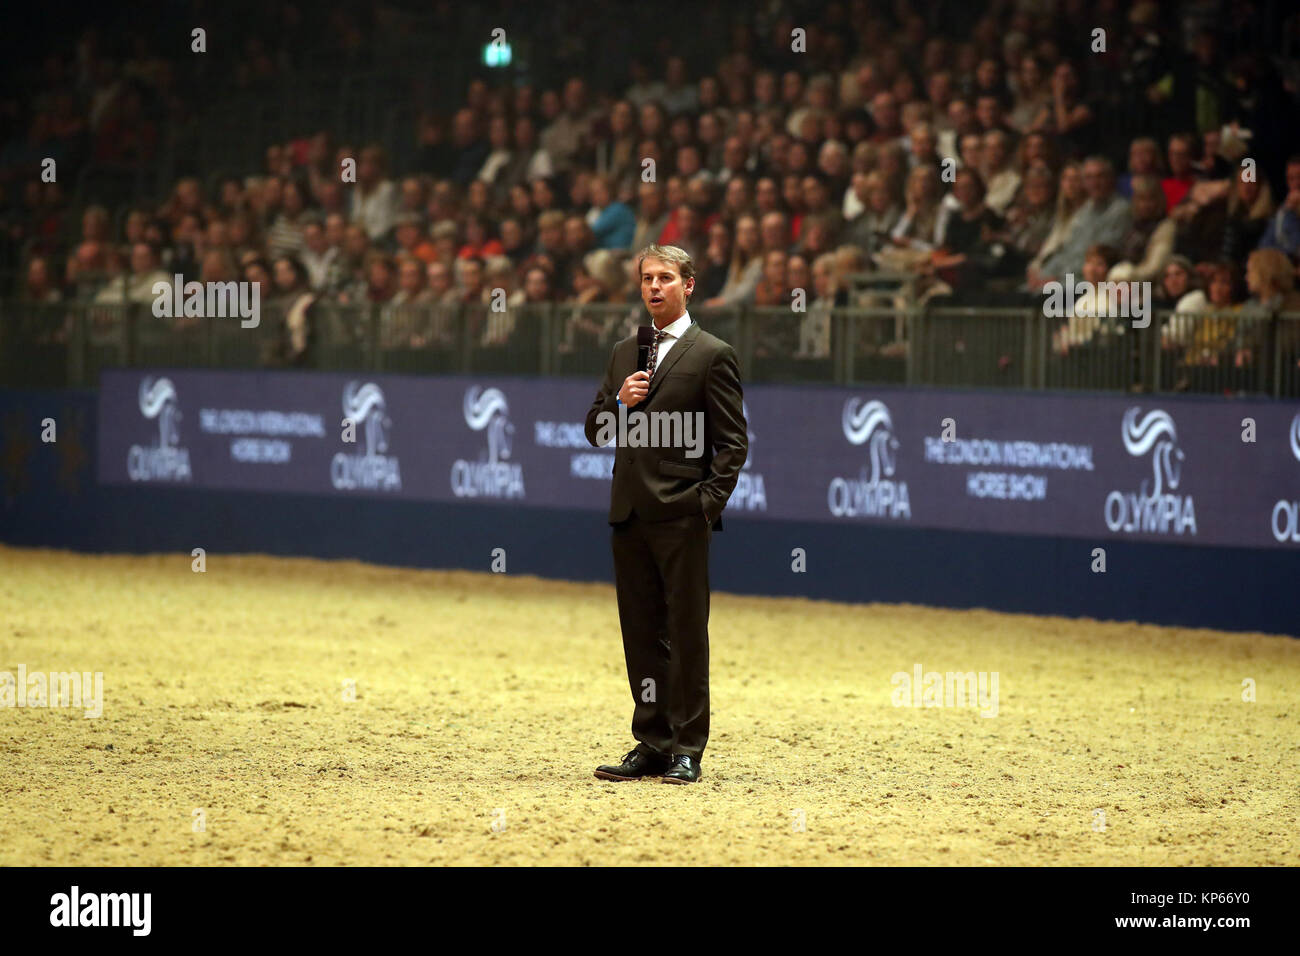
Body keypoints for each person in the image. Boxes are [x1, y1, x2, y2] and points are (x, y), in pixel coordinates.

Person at [584, 244, 747, 785]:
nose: (654, 287)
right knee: (640, 632)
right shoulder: (623, 351)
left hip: (681, 516)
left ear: (688, 285)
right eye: (646, 278)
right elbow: (595, 430)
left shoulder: (711, 354)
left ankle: (687, 747)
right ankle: (651, 741)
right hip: (628, 514)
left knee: (684, 631)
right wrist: (618, 405)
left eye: (666, 278)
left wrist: (704, 506)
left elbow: (731, 444)